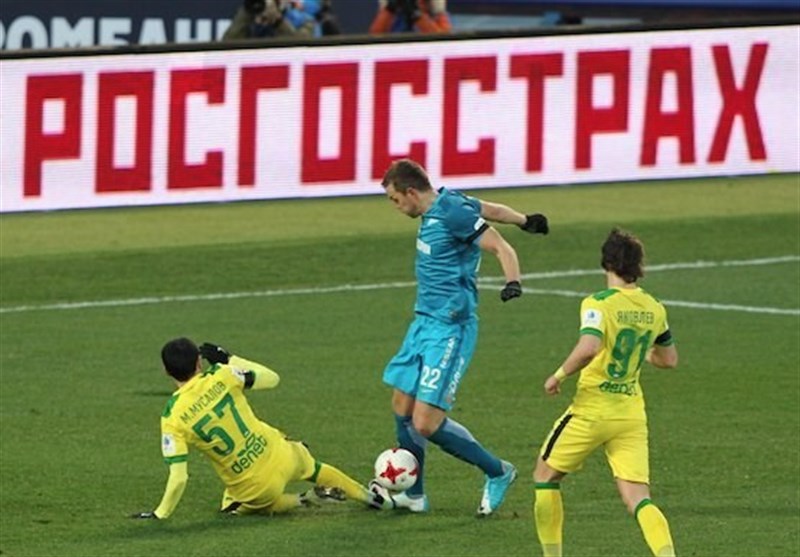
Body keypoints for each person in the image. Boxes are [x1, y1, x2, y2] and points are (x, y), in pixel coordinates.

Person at [370, 158, 549, 516]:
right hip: (423, 323)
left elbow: (500, 246)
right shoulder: (450, 201)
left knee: (425, 422)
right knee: (402, 406)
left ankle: (498, 471)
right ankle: (414, 495)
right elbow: (492, 209)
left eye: (394, 199)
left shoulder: (451, 213)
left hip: (450, 329)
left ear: (410, 192)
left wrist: (513, 281)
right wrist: (524, 220)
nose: (395, 206)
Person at [532, 228, 679, 557]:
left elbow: (589, 347)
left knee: (544, 476)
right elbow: (669, 359)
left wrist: (558, 375)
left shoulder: (598, 303)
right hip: (630, 415)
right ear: (638, 266)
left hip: (592, 411)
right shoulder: (655, 308)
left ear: (606, 263)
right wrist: (642, 352)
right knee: (638, 498)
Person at [131, 338, 392, 519]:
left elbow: (179, 477)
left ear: (166, 371)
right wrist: (230, 359)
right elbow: (272, 378)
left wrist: (160, 513)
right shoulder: (223, 374)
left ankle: (303, 499)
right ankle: (372, 498)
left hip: (255, 486)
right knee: (315, 468)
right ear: (199, 362)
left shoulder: (173, 417)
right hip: (284, 452)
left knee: (232, 507)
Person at [222, 0, 340, 41]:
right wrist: (247, 11)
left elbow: (300, 49)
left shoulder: (304, 20)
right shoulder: (252, 19)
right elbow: (227, 45)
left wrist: (278, 22)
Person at [369, 0, 452, 35]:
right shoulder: (393, 13)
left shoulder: (435, 11)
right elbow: (375, 37)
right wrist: (391, 7)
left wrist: (415, 13)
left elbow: (443, 40)